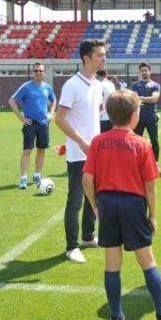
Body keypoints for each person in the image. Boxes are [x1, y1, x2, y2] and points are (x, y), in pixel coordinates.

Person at [82, 89, 161, 320]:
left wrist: (96, 207)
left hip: (108, 204)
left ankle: (116, 318)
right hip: (133, 205)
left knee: (112, 264)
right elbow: (150, 185)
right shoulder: (141, 144)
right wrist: (153, 215)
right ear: (134, 116)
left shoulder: (98, 142)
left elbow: (87, 180)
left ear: (109, 115)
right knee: (147, 262)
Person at [55, 40, 106, 263]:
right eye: (100, 55)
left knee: (92, 196)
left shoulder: (96, 84)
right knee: (75, 199)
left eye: (104, 55)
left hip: (94, 152)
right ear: (86, 58)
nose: (104, 59)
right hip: (78, 153)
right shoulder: (72, 85)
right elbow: (59, 118)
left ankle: (87, 237)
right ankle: (71, 246)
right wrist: (81, 141)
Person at [8, 62, 57, 189]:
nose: (38, 73)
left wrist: (51, 113)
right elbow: (12, 101)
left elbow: (54, 100)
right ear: (32, 73)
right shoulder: (26, 87)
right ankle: (23, 178)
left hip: (44, 124)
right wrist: (21, 118)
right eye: (36, 71)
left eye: (41, 71)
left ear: (44, 73)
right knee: (27, 151)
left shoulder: (47, 87)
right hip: (30, 124)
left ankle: (37, 175)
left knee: (41, 150)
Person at [130, 62, 161, 164]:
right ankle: (137, 161)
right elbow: (134, 99)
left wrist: (141, 98)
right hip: (138, 117)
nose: (144, 72)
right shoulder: (135, 85)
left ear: (149, 71)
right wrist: (144, 99)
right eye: (142, 71)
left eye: (146, 70)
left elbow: (154, 99)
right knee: (137, 141)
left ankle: (155, 162)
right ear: (139, 72)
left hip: (151, 116)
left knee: (154, 140)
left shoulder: (155, 85)